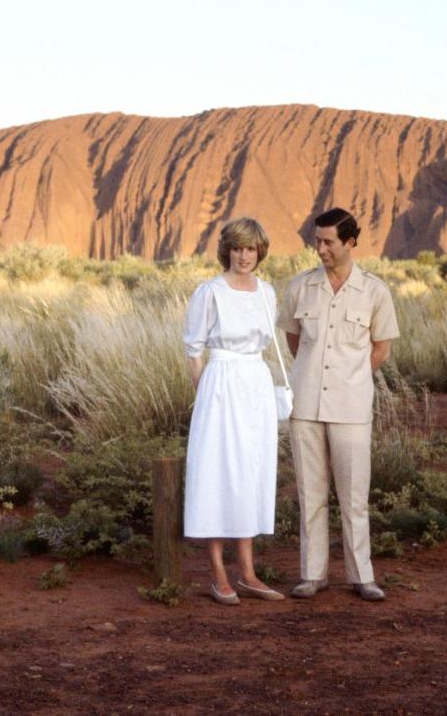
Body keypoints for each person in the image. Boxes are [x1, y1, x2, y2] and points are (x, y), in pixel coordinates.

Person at [276, 207, 400, 602]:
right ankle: (312, 575)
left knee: (353, 495)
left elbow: (381, 347)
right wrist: (314, 373)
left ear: (350, 242)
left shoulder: (375, 291)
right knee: (310, 494)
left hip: (351, 407)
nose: (321, 249)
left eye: (328, 242)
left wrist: (351, 376)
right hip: (306, 404)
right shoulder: (300, 287)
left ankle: (362, 576)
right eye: (317, 241)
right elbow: (294, 341)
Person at [182, 217, 286, 605]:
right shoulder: (210, 291)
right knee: (216, 469)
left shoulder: (267, 292)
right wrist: (206, 394)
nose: (245, 256)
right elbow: (194, 350)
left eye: (251, 249)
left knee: (251, 471)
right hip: (221, 383)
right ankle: (218, 573)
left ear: (261, 252)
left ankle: (249, 573)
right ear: (227, 250)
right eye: (238, 248)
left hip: (255, 382)